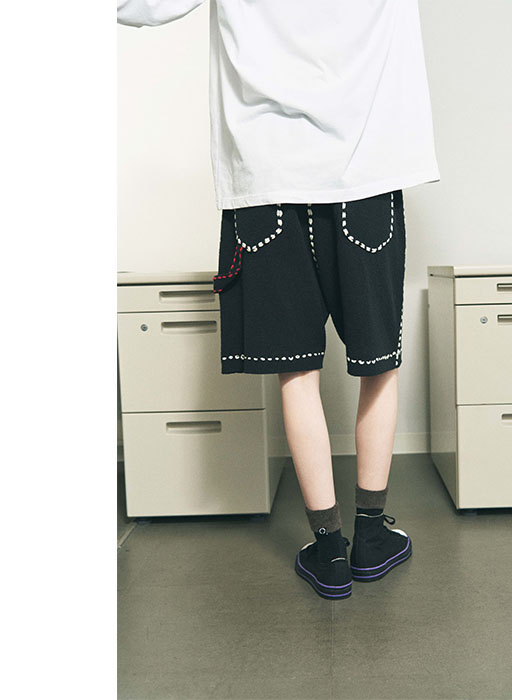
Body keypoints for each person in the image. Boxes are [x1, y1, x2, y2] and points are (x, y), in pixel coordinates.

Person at [117, 0, 440, 600]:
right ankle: (371, 536)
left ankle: (329, 548)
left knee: (297, 372)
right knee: (379, 365)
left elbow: (139, 8)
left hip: (266, 183)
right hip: (365, 177)